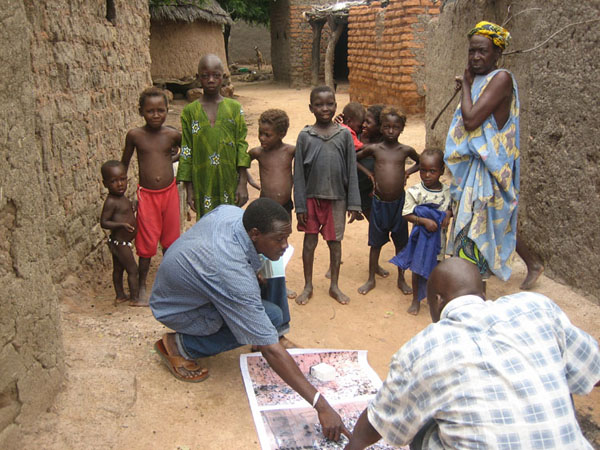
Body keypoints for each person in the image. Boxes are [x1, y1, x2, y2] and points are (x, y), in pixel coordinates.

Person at [345, 257, 600, 450]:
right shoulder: (537, 307)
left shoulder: (423, 349)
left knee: (422, 419)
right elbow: (594, 369)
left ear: (436, 301)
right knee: (555, 373)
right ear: (484, 293)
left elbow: (377, 423)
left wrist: (351, 446)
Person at [149, 198, 351, 442]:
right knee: (262, 321)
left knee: (272, 312)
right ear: (254, 233)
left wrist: (250, 268)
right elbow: (270, 349)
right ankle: (179, 345)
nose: (285, 245)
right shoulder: (230, 271)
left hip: (187, 283)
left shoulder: (232, 213)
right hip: (177, 307)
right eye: (278, 239)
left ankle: (247, 323)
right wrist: (322, 406)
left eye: (286, 238)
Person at [445, 21, 544, 289]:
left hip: (490, 168)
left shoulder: (501, 79)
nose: (476, 57)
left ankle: (475, 296)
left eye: (483, 52)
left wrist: (466, 86)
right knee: (490, 222)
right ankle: (530, 264)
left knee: (478, 229)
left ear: (497, 54)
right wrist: (469, 85)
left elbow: (471, 121)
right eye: (472, 52)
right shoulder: (481, 80)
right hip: (477, 167)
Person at [293, 86, 361, 306]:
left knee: (335, 243)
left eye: (329, 104)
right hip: (311, 198)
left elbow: (352, 169)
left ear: (335, 105)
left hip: (337, 199)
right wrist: (300, 205)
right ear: (311, 108)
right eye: (319, 105)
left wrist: (354, 202)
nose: (325, 108)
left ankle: (334, 286)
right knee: (309, 242)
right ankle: (308, 285)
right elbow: (299, 175)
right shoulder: (305, 136)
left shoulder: (344, 135)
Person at [121, 87, 181, 303]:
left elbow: (188, 151)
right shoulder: (135, 136)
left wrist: (178, 155)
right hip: (147, 196)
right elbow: (124, 163)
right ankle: (142, 286)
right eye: (150, 111)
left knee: (171, 241)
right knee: (145, 243)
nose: (156, 115)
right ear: (141, 112)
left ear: (167, 110)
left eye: (160, 110)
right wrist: (120, 194)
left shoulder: (172, 135)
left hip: (169, 194)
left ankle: (172, 285)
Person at [356, 107, 419, 295]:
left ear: (402, 129)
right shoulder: (375, 149)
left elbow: (421, 162)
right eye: (387, 127)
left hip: (399, 204)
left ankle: (401, 279)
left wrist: (407, 172)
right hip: (379, 203)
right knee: (375, 243)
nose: (391, 131)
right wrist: (370, 175)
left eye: (396, 127)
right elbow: (354, 159)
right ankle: (370, 278)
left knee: (400, 242)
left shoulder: (405, 150)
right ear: (382, 128)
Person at [177, 53, 249, 220]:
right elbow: (186, 150)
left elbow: (241, 145)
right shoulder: (190, 112)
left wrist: (243, 182)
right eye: (205, 76)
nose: (210, 80)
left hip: (229, 180)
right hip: (202, 182)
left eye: (216, 75)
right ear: (198, 78)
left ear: (222, 77)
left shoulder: (234, 108)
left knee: (229, 226)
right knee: (207, 229)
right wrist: (189, 189)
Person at [392, 148, 452, 315]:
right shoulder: (414, 191)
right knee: (417, 269)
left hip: (439, 241)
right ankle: (416, 300)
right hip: (420, 239)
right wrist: (423, 221)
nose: (427, 175)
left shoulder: (448, 192)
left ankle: (436, 299)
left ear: (441, 171)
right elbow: (406, 214)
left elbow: (452, 208)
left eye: (432, 171)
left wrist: (448, 214)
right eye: (423, 170)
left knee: (438, 269)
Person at [249, 108, 296, 299]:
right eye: (260, 133)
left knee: (280, 246)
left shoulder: (290, 151)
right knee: (259, 246)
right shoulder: (258, 153)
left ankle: (279, 283)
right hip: (265, 208)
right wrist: (248, 181)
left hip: (284, 208)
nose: (262, 138)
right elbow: (241, 163)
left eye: (267, 135)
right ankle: (256, 279)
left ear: (281, 134)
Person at [100, 160, 140, 306]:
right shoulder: (111, 201)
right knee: (132, 270)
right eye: (114, 181)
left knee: (118, 269)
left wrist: (133, 205)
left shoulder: (121, 197)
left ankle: (120, 295)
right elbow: (104, 222)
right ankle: (135, 298)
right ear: (105, 184)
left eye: (122, 179)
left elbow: (125, 210)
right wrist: (121, 225)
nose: (120, 184)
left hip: (122, 242)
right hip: (120, 243)